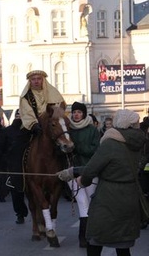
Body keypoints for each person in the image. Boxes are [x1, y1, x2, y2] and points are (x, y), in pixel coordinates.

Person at [57, 109, 144, 256]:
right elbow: (112, 165)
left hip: (109, 198)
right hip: (130, 195)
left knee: (95, 238)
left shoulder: (111, 143)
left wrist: (81, 178)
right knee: (123, 242)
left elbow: (93, 168)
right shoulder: (138, 143)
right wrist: (75, 171)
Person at [67, 102, 100, 248]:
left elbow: (95, 150)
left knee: (90, 203)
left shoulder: (93, 130)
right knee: (83, 203)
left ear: (84, 114)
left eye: (79, 112)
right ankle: (83, 237)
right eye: (74, 112)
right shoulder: (67, 130)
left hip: (90, 171)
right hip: (73, 172)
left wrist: (78, 147)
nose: (76, 114)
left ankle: (89, 234)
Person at [0, 110, 29, 223]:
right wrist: (5, 162)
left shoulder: (29, 131)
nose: (20, 118)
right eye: (18, 115)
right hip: (14, 166)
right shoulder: (8, 131)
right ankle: (20, 213)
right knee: (16, 192)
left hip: (28, 165)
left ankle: (25, 213)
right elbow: (0, 149)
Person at [19, 70, 66, 136]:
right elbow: (27, 112)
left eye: (39, 79)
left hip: (52, 124)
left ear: (43, 80)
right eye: (33, 79)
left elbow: (60, 107)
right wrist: (34, 124)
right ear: (30, 81)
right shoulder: (26, 96)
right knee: (19, 142)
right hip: (33, 125)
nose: (36, 81)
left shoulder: (53, 93)